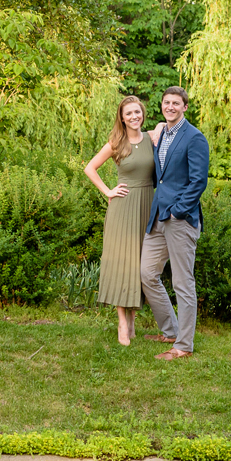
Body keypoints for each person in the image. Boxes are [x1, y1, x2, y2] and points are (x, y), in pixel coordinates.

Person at [83, 97, 161, 346]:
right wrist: (108, 191)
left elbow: (164, 127)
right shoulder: (117, 142)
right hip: (123, 208)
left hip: (147, 206)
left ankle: (133, 321)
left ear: (142, 113)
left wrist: (159, 126)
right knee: (122, 264)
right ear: (122, 117)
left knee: (140, 265)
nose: (134, 116)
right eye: (128, 113)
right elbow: (89, 168)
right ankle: (121, 323)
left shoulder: (152, 138)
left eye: (137, 111)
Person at [141, 87, 210, 362]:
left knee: (182, 282)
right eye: (166, 102)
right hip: (158, 215)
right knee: (146, 272)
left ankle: (184, 346)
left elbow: (198, 182)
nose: (170, 106)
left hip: (180, 219)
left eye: (176, 103)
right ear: (162, 106)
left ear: (185, 107)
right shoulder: (162, 134)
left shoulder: (194, 138)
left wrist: (178, 211)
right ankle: (170, 331)